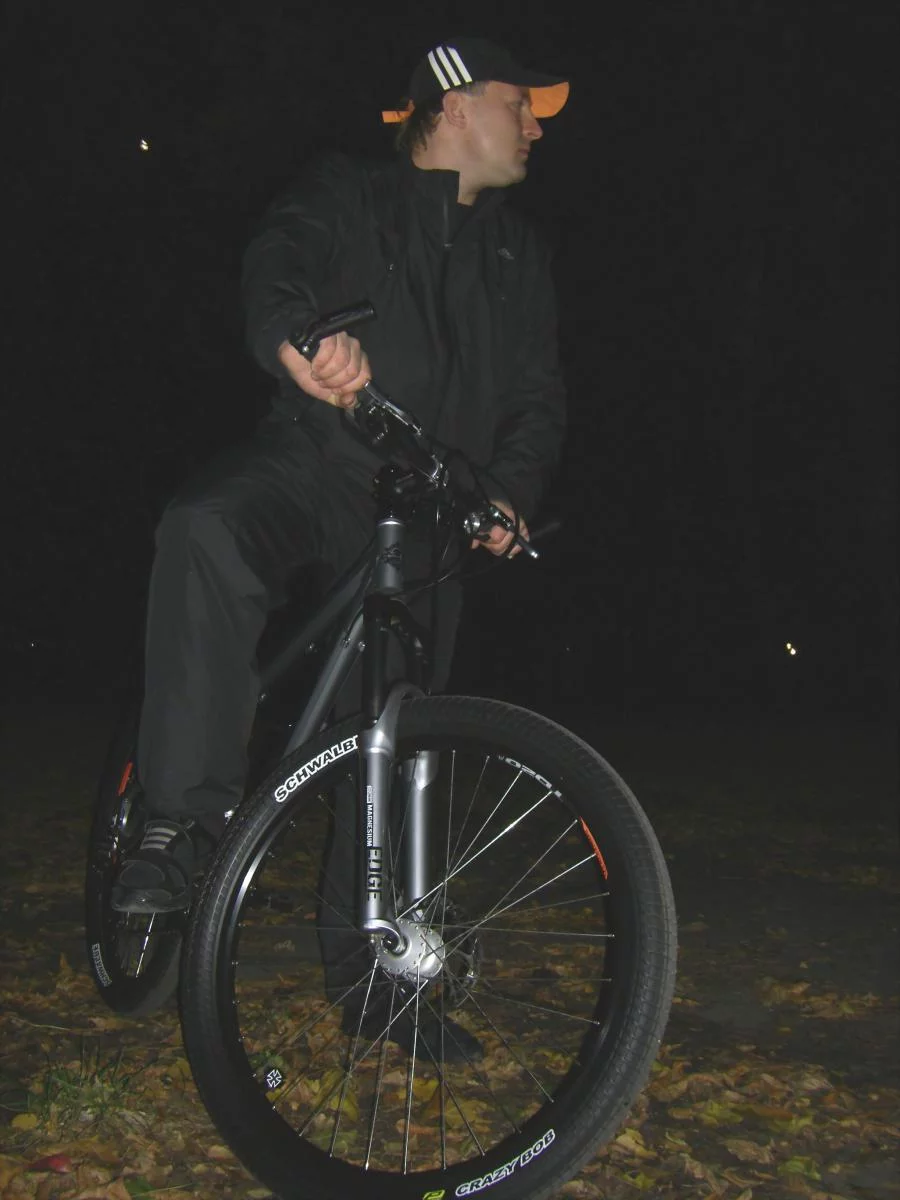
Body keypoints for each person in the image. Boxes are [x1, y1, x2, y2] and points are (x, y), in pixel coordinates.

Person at [111, 37, 569, 1032]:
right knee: (206, 525)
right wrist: (301, 336)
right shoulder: (348, 193)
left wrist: (507, 492)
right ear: (454, 104)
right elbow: (278, 259)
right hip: (316, 463)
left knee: (404, 734)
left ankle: (375, 982)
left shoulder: (517, 254)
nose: (536, 126)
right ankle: (177, 826)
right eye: (520, 103)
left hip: (431, 509)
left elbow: (538, 397)